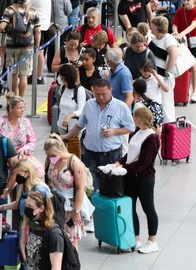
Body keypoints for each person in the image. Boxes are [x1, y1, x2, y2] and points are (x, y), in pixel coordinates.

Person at [62, 79, 136, 179]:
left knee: (109, 186)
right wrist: (67, 136)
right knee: (90, 185)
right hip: (90, 153)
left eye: (104, 94)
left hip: (111, 154)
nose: (100, 97)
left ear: (111, 90)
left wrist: (114, 132)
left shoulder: (121, 107)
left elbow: (130, 128)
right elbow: (80, 124)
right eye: (97, 94)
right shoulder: (89, 104)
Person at [118, 106, 161, 254]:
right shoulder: (137, 132)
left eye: (134, 117)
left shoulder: (152, 137)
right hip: (130, 176)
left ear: (138, 119)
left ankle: (152, 240)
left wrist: (124, 168)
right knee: (130, 207)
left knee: (148, 207)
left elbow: (144, 162)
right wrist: (120, 162)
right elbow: (130, 154)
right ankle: (136, 238)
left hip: (144, 178)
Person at [44, 134, 91, 243]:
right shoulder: (50, 160)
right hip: (55, 203)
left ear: (60, 149)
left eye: (53, 155)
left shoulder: (74, 162)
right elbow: (47, 180)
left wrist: (77, 211)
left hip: (71, 205)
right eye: (49, 155)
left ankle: (72, 260)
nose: (51, 158)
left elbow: (80, 188)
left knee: (71, 239)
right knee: (55, 238)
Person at [0, 93, 42, 176]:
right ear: (10, 108)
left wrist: (24, 148)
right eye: (20, 108)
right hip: (2, 159)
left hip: (21, 159)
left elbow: (32, 141)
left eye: (24, 108)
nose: (23, 110)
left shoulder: (26, 122)